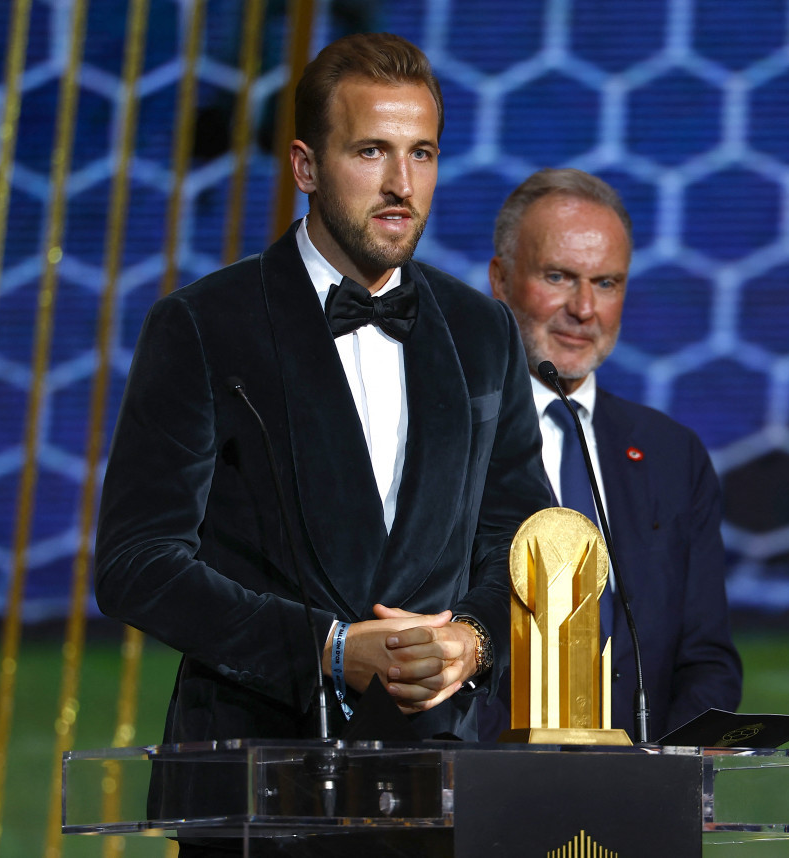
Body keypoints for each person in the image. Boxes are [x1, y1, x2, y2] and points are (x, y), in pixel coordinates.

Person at [94, 32, 550, 850]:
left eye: (422, 153)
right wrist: (333, 650)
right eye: (371, 151)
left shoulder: (482, 332)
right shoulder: (204, 326)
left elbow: (523, 538)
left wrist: (471, 643)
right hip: (255, 787)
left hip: (436, 780)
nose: (401, 185)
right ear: (305, 167)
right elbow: (138, 565)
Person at [484, 168, 742, 742]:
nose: (583, 308)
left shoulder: (672, 456)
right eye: (558, 277)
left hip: (638, 804)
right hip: (489, 794)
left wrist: (661, 774)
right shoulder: (448, 437)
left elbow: (706, 662)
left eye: (606, 283)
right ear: (500, 280)